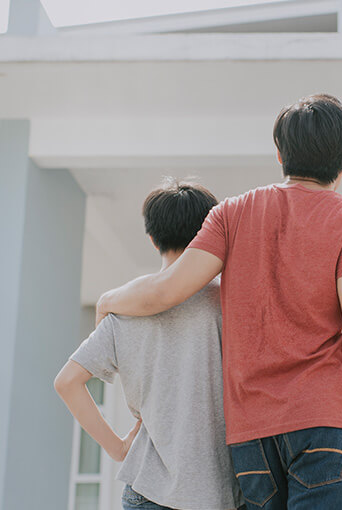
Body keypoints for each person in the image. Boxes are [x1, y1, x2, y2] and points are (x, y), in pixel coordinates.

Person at [93, 94, 342, 509]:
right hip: (325, 424)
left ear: (279, 153)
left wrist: (110, 299)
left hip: (251, 436)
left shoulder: (231, 213)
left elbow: (167, 291)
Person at [54, 180, 243, 510]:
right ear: (209, 233)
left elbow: (67, 382)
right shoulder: (229, 303)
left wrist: (117, 448)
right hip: (221, 491)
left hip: (147, 489)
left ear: (153, 239)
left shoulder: (123, 311)